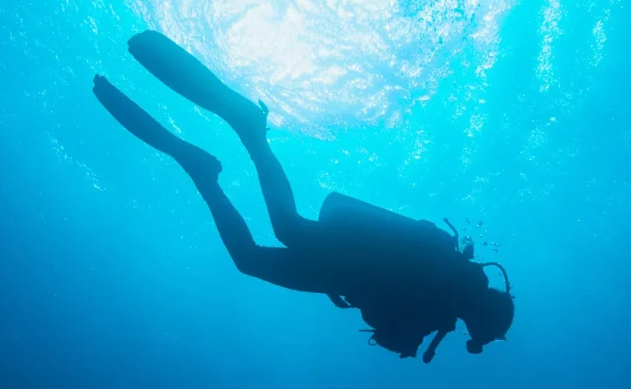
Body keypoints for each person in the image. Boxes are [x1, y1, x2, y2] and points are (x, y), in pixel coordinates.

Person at [92, 31, 514, 363]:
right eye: (489, 332)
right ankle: (242, 137)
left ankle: (208, 164)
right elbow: (391, 311)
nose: (481, 338)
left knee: (253, 255)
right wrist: (400, 336)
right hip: (344, 262)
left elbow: (386, 307)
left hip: (339, 271)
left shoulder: (449, 295)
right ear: (485, 316)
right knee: (280, 232)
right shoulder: (446, 297)